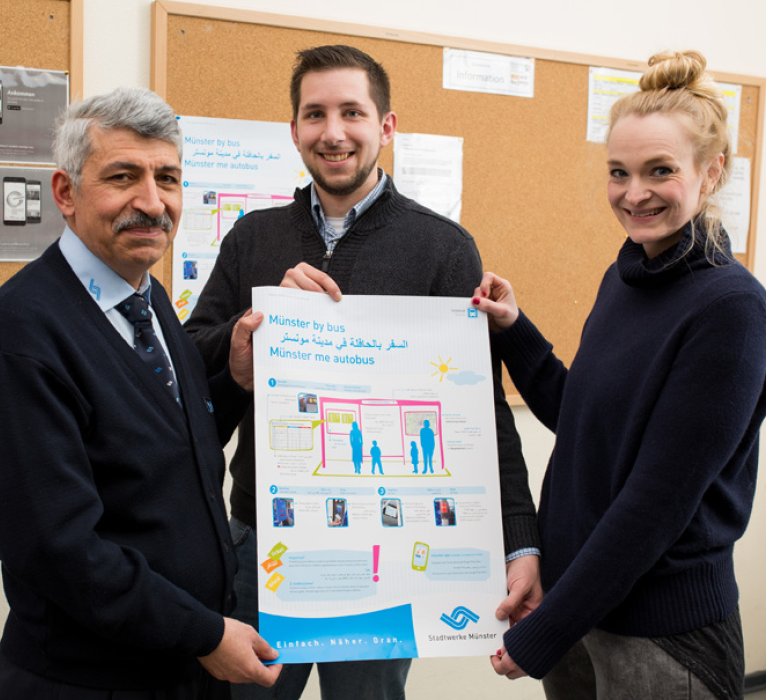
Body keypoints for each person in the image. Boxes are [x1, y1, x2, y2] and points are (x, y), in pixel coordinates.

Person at [185, 44, 542, 700]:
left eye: (353, 111)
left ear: (386, 126)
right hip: (265, 547)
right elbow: (189, 374)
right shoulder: (251, 239)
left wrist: (521, 542)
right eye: (314, 114)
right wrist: (238, 348)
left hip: (389, 560)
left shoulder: (443, 248)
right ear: (294, 130)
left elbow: (481, 412)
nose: (334, 132)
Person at [473, 51, 766, 699]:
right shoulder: (626, 276)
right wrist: (514, 329)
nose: (634, 193)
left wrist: (545, 629)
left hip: (663, 634)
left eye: (659, 171)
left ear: (711, 171)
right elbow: (584, 419)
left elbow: (655, 503)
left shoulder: (732, 309)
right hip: (584, 608)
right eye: (619, 172)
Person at [0, 87, 282, 700]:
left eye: (168, 178)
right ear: (65, 192)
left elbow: (168, 450)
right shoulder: (23, 330)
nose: (152, 202)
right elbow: (59, 549)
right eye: (122, 177)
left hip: (180, 665)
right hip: (92, 681)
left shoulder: (148, 299)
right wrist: (207, 634)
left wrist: (236, 384)